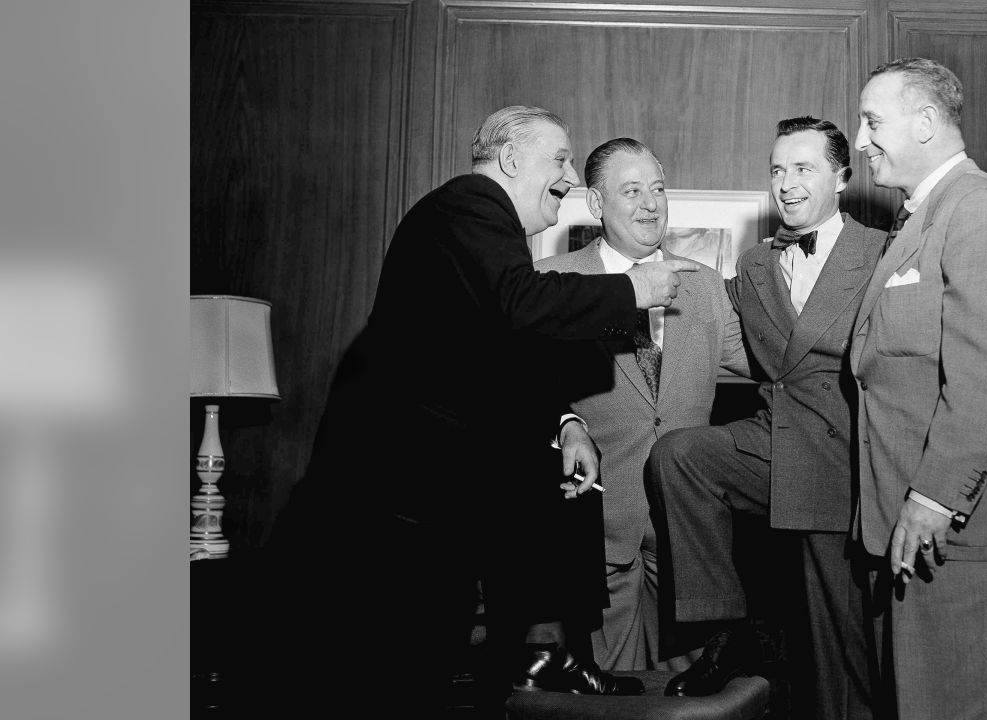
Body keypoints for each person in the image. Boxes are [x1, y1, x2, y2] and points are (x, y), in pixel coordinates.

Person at [255, 106, 702, 717]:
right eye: (562, 159)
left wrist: (567, 422)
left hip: (426, 494)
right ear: (514, 160)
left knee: (431, 648)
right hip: (393, 497)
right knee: (391, 669)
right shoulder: (471, 203)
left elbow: (505, 351)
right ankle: (537, 656)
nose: (571, 177)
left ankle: (543, 655)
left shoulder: (487, 233)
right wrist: (635, 289)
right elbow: (519, 305)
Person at [645, 117, 887, 719]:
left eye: (803, 168)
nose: (787, 183)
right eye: (777, 170)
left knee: (840, 652)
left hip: (846, 461)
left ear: (841, 175)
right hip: (771, 440)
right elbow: (717, 330)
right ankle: (727, 628)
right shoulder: (755, 264)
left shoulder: (882, 251)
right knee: (682, 455)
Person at [850, 57, 987, 720]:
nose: (860, 140)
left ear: (928, 124)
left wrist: (934, 498)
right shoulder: (921, 218)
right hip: (916, 536)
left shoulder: (983, 213)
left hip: (965, 542)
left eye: (873, 122)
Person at [534, 138, 749, 672]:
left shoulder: (704, 286)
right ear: (595, 204)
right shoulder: (555, 283)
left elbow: (770, 367)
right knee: (611, 696)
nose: (650, 204)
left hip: (689, 538)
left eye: (657, 189)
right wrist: (566, 423)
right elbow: (521, 383)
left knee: (694, 702)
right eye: (632, 191)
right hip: (601, 530)